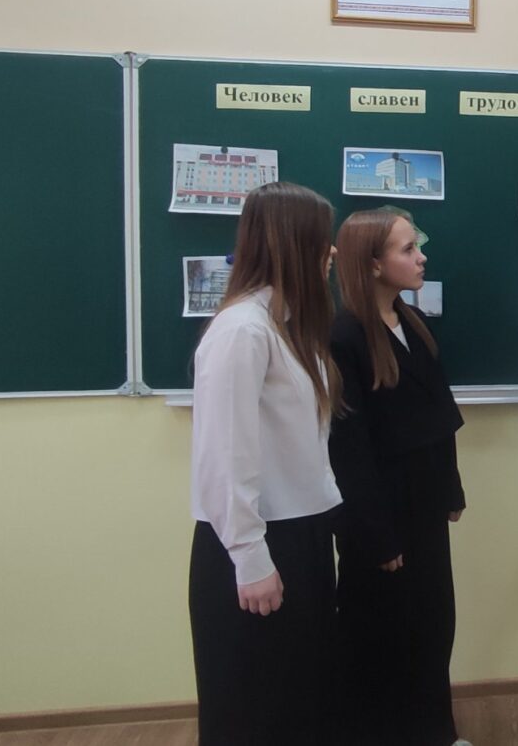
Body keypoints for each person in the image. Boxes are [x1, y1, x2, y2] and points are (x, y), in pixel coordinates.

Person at [188, 181, 343, 746]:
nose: (331, 251)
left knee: (301, 700)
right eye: (322, 239)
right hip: (257, 545)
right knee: (255, 709)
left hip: (301, 535)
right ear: (291, 244)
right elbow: (224, 455)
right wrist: (250, 558)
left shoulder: (287, 325)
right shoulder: (242, 330)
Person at [329, 209, 471, 746]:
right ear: (372, 264)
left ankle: (435, 732)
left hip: (424, 508)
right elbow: (348, 451)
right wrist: (376, 535)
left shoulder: (411, 321)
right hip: (381, 520)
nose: (421, 258)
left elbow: (439, 413)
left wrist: (451, 487)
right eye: (408, 249)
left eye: (418, 245)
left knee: (432, 625)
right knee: (383, 635)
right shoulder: (343, 336)